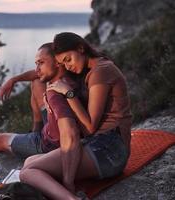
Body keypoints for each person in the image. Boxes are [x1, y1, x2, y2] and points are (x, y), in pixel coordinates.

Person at [19, 32, 131, 200]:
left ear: (80, 48)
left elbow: (91, 126)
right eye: (62, 63)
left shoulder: (101, 71)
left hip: (110, 149)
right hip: (100, 144)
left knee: (27, 173)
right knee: (30, 162)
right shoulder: (91, 69)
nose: (68, 66)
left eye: (68, 59)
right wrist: (16, 80)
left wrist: (68, 94)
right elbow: (42, 73)